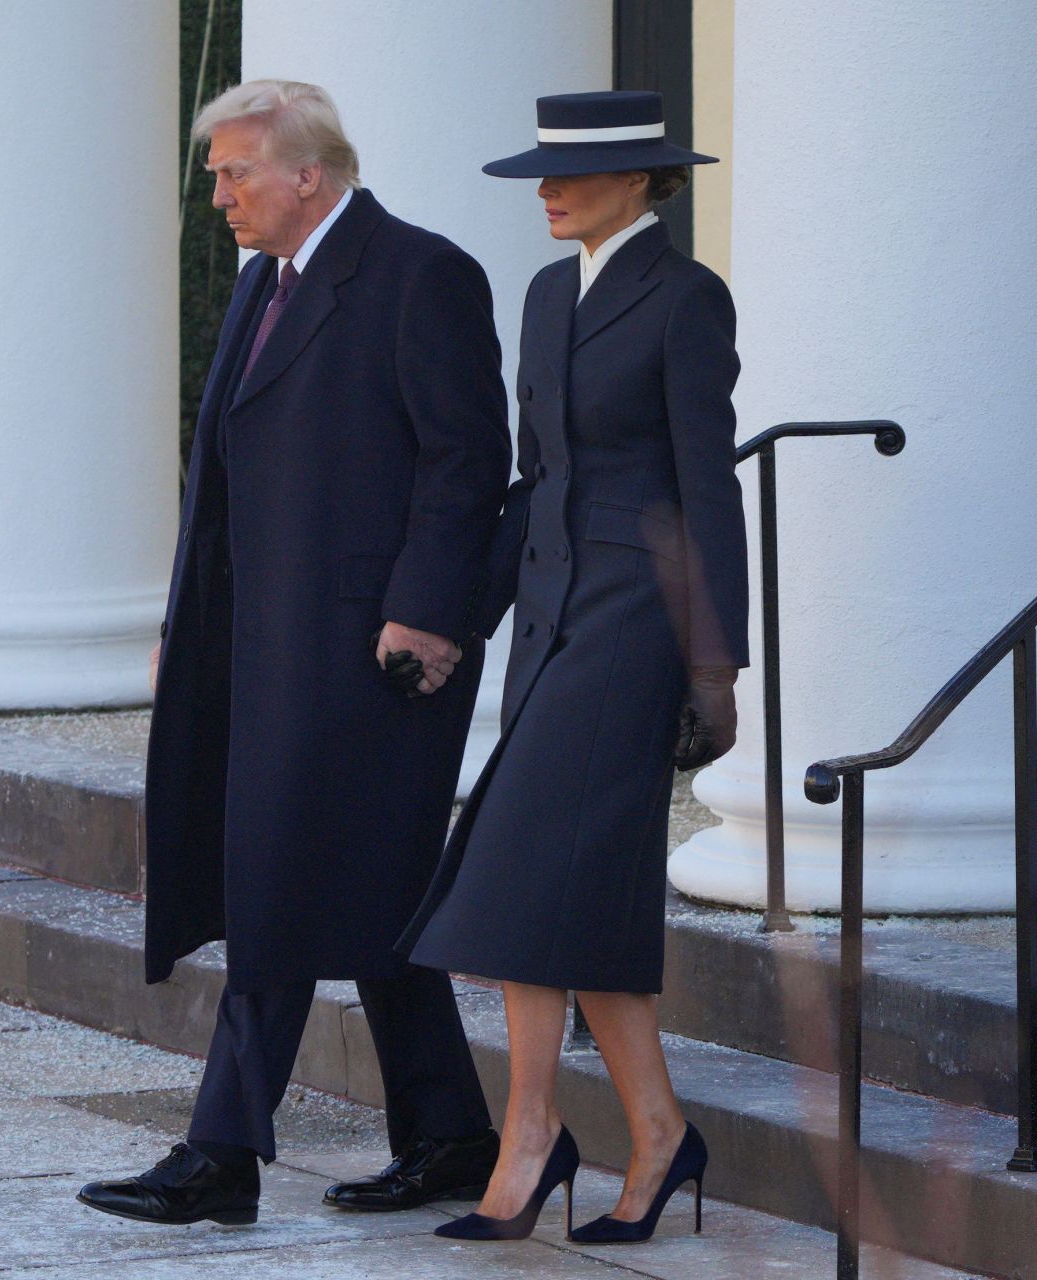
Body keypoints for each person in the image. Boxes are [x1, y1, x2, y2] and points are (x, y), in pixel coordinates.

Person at [76, 80, 513, 1228]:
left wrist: (426, 611)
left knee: (280, 879)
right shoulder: (263, 284)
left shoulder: (423, 274)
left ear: (308, 174)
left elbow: (466, 460)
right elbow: (217, 478)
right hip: (262, 647)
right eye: (216, 174)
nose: (218, 194)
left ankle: (222, 1152)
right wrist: (183, 623)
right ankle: (454, 1134)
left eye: (235, 173)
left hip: (376, 654)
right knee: (375, 893)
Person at [400, 90, 747, 1245]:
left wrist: (717, 663)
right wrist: (457, 614)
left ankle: (532, 1135)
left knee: (512, 873)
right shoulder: (549, 293)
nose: (544, 193)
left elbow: (711, 489)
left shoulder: (687, 299)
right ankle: (654, 1131)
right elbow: (535, 481)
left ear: (643, 181)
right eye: (539, 175)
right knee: (572, 896)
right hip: (549, 618)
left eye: (569, 176)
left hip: (636, 624)